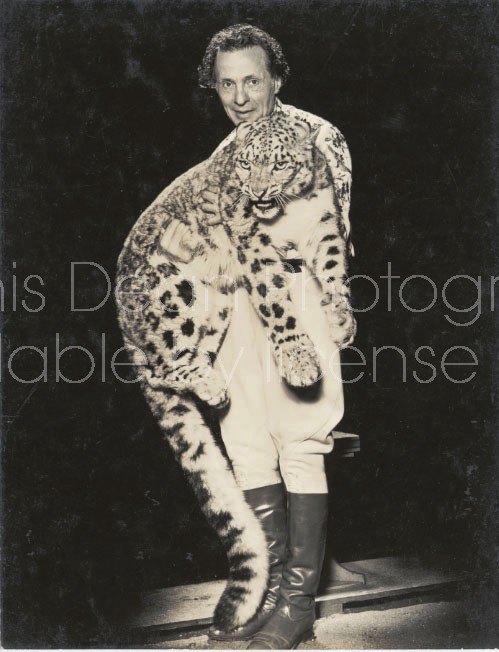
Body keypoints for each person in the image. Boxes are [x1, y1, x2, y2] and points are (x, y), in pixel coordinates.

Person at [164, 24, 353, 649]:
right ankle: (268, 594)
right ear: (213, 88)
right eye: (227, 84)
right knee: (244, 442)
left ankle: (299, 604)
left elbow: (330, 237)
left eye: (252, 80)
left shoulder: (320, 136)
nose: (241, 95)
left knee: (300, 440)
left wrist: (327, 308)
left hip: (296, 298)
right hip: (235, 308)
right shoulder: (222, 156)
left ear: (276, 78)